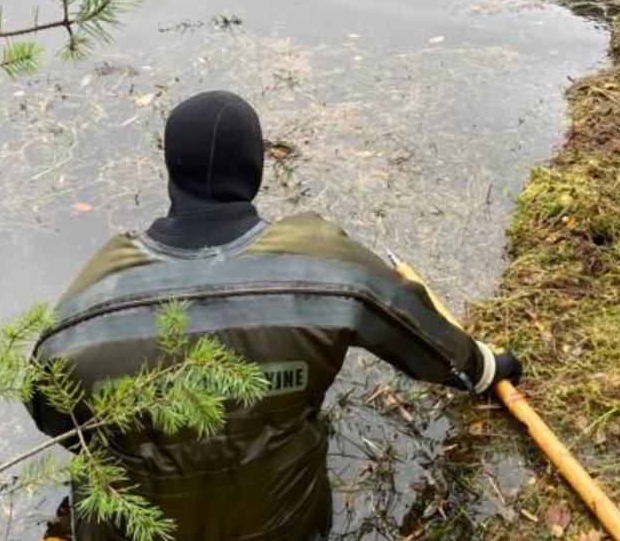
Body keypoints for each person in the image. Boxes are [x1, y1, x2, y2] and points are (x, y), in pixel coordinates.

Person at [26, 90, 522, 541]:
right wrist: (483, 368)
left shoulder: (86, 309)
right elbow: (420, 335)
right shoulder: (321, 266)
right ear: (256, 168)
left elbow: (55, 419)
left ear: (172, 170)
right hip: (287, 526)